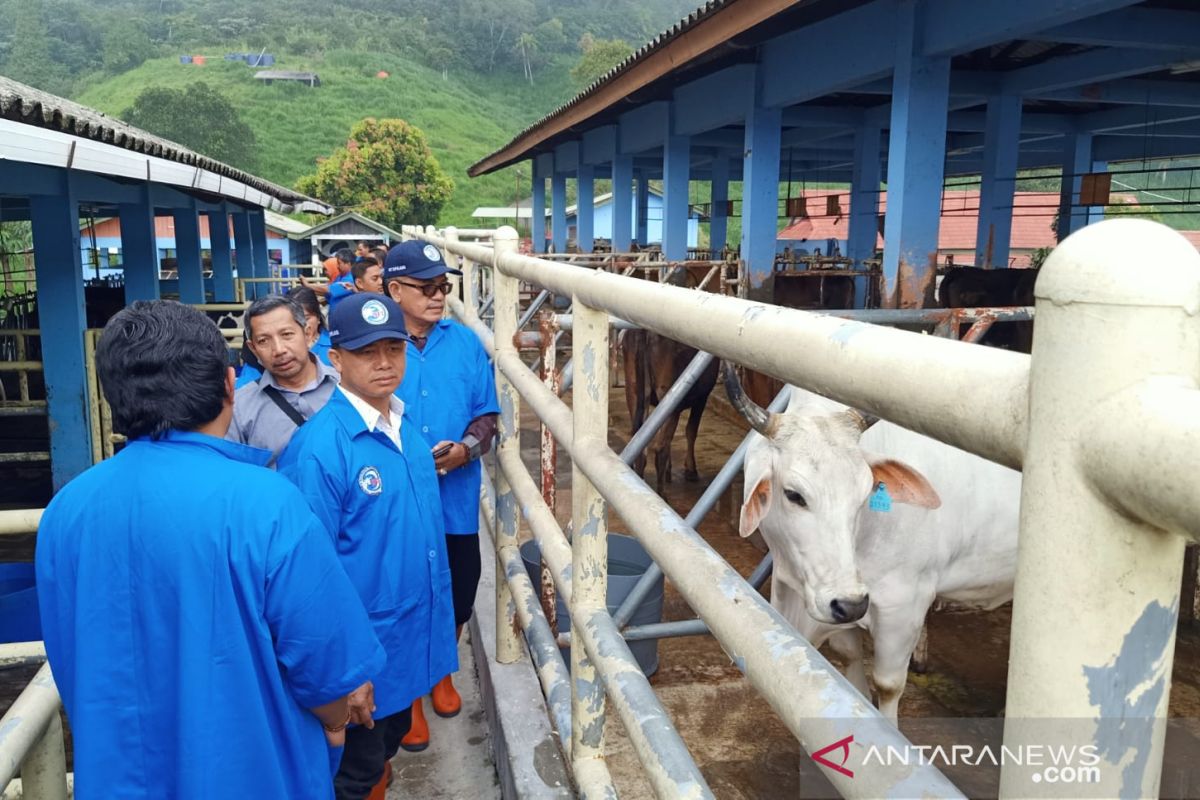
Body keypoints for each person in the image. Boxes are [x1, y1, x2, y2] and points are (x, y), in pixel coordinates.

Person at [35, 300, 384, 800]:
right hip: (254, 776)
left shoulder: (66, 512)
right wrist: (333, 722)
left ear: (113, 395)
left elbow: (71, 652)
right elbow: (329, 672)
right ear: (228, 385)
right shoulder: (265, 502)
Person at [278, 293, 456, 800]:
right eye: (365, 352)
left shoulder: (406, 433)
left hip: (403, 648)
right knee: (350, 775)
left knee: (383, 750)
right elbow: (309, 578)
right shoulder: (320, 449)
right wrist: (342, 672)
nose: (383, 364)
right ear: (335, 359)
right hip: (362, 660)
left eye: (393, 349)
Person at [384, 240, 499, 751]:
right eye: (426, 288)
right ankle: (409, 694)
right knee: (402, 591)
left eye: (443, 287)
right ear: (394, 291)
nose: (438, 296)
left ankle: (438, 670)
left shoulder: (467, 343)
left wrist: (467, 449)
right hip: (396, 504)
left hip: (455, 499)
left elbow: (489, 416)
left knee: (460, 588)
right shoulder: (377, 346)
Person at [227, 294, 340, 467]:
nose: (279, 350)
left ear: (308, 333)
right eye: (264, 341)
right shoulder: (239, 409)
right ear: (253, 349)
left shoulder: (347, 387)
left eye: (287, 334)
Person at [289, 284, 334, 366]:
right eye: (295, 320)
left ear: (318, 317)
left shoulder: (334, 344)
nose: (301, 324)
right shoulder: (283, 348)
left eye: (306, 318)